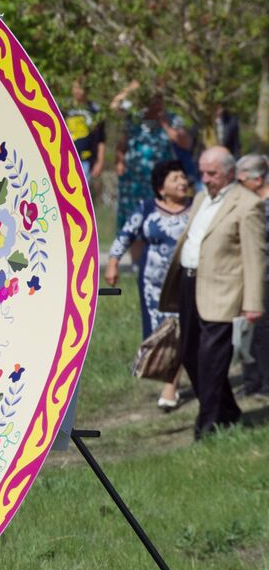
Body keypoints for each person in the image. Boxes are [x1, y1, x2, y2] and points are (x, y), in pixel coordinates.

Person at [159, 147, 267, 439]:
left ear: (230, 173)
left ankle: (207, 427)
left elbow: (255, 257)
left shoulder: (247, 205)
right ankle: (228, 410)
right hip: (189, 284)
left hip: (223, 290)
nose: (205, 178)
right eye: (203, 172)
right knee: (190, 354)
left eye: (212, 173)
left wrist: (253, 303)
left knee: (211, 358)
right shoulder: (200, 198)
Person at [104, 159, 194, 409]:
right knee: (160, 332)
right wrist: (113, 263)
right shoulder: (146, 209)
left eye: (183, 177)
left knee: (183, 331)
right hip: (153, 285)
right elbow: (125, 235)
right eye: (175, 179)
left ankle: (171, 386)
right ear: (161, 187)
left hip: (188, 281)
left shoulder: (196, 208)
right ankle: (168, 377)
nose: (182, 182)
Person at [114, 82, 194, 227]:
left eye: (159, 100)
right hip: (134, 180)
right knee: (134, 223)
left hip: (160, 181)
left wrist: (164, 123)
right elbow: (115, 107)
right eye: (152, 100)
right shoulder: (134, 118)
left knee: (158, 221)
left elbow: (185, 143)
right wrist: (132, 86)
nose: (156, 103)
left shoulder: (172, 119)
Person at [235, 154, 269, 394]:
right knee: (247, 330)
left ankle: (264, 383)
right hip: (246, 275)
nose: (237, 184)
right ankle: (251, 381)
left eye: (242, 179)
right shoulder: (243, 202)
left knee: (264, 331)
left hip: (266, 276)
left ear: (257, 179)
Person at [66, 79, 105, 180]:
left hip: (86, 161)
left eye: (80, 88)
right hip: (65, 160)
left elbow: (101, 139)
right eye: (75, 87)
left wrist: (100, 161)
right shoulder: (64, 108)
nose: (77, 91)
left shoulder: (95, 110)